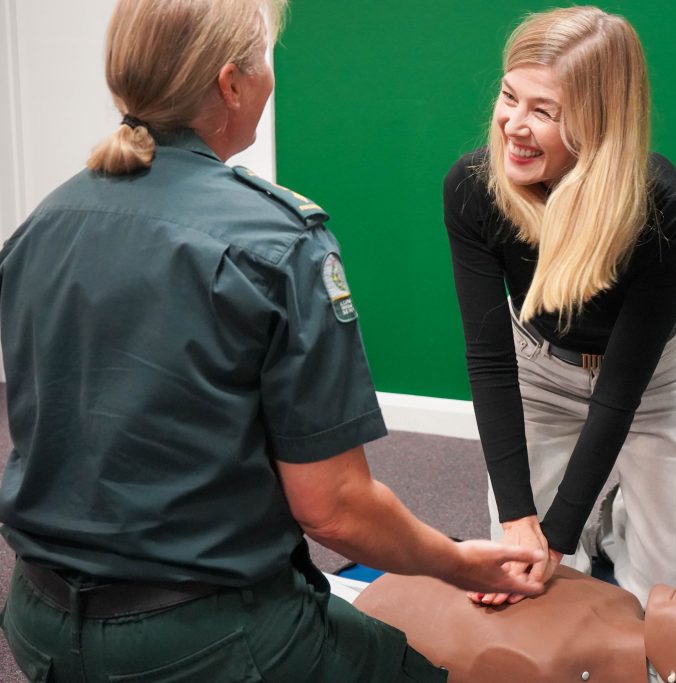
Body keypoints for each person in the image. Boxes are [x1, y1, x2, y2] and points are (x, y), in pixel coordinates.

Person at [0, 1, 543, 681]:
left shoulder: (41, 225)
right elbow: (336, 511)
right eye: (265, 59)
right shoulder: (280, 242)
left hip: (37, 625)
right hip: (201, 640)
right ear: (231, 84)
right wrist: (461, 561)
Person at [443, 5, 676, 609]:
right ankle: (601, 511)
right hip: (539, 374)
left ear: (600, 123)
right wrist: (522, 521)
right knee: (523, 585)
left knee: (673, 605)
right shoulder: (472, 186)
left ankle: (623, 512)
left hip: (652, 386)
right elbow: (490, 362)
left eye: (543, 111)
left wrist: (560, 536)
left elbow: (621, 390)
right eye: (508, 96)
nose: (512, 126)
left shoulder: (664, 208)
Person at [353, 565, 676, 683]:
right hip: (395, 590)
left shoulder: (545, 665)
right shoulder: (622, 602)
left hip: (371, 622)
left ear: (675, 674)